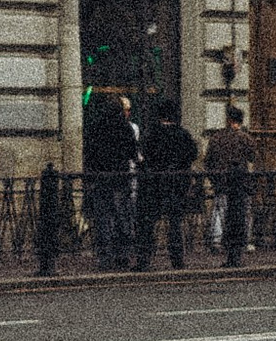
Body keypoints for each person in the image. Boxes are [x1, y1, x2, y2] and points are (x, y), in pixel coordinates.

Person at [138, 94, 200, 269]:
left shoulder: (152, 134)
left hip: (155, 184)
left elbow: (144, 155)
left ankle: (144, 260)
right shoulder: (183, 134)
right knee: (175, 224)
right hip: (177, 185)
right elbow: (193, 154)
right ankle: (177, 260)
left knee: (148, 223)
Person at [82, 87, 138, 268]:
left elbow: (89, 153)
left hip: (101, 178)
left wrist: (90, 174)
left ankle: (105, 257)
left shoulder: (96, 127)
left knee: (103, 219)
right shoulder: (125, 128)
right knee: (123, 216)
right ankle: (122, 255)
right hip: (121, 177)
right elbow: (133, 153)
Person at [203, 107, 257, 250]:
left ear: (228, 120)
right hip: (240, 182)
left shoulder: (216, 138)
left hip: (221, 181)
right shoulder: (246, 138)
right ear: (241, 120)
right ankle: (244, 240)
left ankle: (217, 240)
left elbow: (208, 161)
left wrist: (213, 178)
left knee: (220, 209)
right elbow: (252, 158)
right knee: (243, 211)